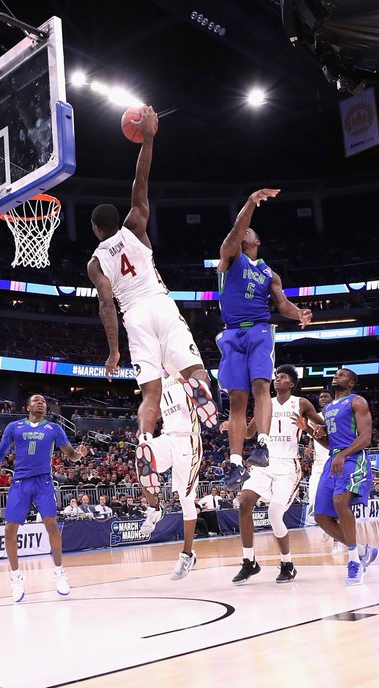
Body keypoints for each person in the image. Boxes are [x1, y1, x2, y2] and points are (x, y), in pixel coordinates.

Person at [87, 106, 219, 501]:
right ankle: (196, 387)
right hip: (161, 303)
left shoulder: (96, 262)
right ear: (118, 220)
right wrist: (148, 139)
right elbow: (140, 183)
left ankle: (146, 439)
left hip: (134, 317)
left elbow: (106, 306)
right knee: (199, 374)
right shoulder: (136, 225)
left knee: (150, 396)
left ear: (96, 229)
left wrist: (113, 351)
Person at [215, 188, 312, 488]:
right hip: (232, 332)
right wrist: (249, 203)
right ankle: (234, 463)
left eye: (250, 232)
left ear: (257, 242)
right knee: (236, 398)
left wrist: (298, 314)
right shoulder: (231, 256)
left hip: (259, 329)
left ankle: (263, 445)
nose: (246, 232)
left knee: (261, 385)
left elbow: (282, 304)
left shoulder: (270, 273)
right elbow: (236, 230)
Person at [0, 394, 88, 601]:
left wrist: (80, 455)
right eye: (36, 400)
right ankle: (16, 577)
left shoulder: (54, 428)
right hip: (20, 482)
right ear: (28, 406)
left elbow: (70, 454)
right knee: (9, 529)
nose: (41, 402)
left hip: (43, 481)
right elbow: (2, 449)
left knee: (51, 523)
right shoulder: (14, 427)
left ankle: (59, 572)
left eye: (43, 401)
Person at [232, 365, 322, 584]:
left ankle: (287, 564)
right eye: (276, 377)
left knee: (274, 514)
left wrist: (307, 427)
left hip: (288, 466)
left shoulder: (301, 403)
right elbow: (251, 432)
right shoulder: (266, 403)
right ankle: (249, 562)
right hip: (264, 463)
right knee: (244, 502)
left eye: (282, 378)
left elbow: (323, 427)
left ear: (291, 383)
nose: (277, 380)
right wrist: (234, 425)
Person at [135, 374, 207, 580]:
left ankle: (187, 555)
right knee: (142, 455)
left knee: (186, 501)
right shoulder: (158, 381)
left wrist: (188, 384)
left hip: (189, 440)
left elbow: (206, 403)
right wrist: (143, 429)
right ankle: (154, 508)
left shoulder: (186, 372)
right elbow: (154, 411)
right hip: (167, 437)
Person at [312, 369, 378, 585]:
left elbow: (366, 437)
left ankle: (354, 562)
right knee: (321, 516)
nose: (336, 376)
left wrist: (343, 454)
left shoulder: (357, 401)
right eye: (336, 374)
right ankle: (361, 551)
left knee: (341, 502)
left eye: (341, 374)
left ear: (350, 382)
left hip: (353, 459)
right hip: (334, 459)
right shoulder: (328, 407)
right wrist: (316, 436)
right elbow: (331, 444)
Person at [306, 390, 334, 534]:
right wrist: (310, 447)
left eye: (325, 396)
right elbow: (312, 436)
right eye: (320, 396)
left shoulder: (337, 414)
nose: (322, 398)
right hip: (318, 462)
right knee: (313, 495)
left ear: (332, 398)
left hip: (334, 459)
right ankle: (326, 527)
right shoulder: (314, 417)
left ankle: (336, 537)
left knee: (334, 500)